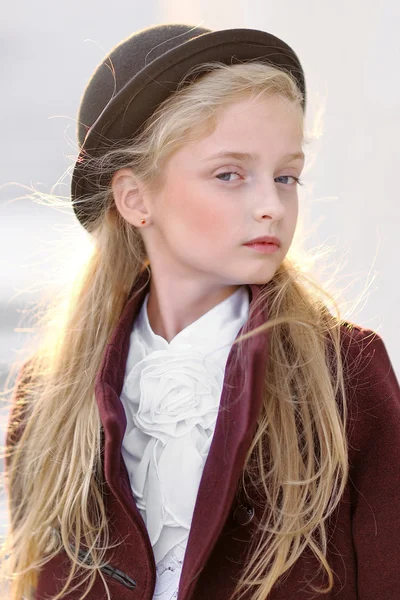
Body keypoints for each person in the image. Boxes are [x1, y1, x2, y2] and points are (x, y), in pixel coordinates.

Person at [1, 22, 400, 600]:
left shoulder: (344, 371)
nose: (271, 206)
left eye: (286, 176)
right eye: (230, 175)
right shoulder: (51, 393)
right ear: (136, 199)